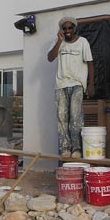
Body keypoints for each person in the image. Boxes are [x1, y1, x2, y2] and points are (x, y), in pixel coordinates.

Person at [47, 16, 95, 158]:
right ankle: (65, 148)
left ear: (75, 28)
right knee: (62, 117)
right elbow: (50, 58)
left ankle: (77, 149)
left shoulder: (83, 42)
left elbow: (90, 63)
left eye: (70, 28)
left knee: (75, 116)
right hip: (61, 85)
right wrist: (59, 41)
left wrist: (91, 84)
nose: (67, 30)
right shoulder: (58, 43)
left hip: (77, 84)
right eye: (64, 28)